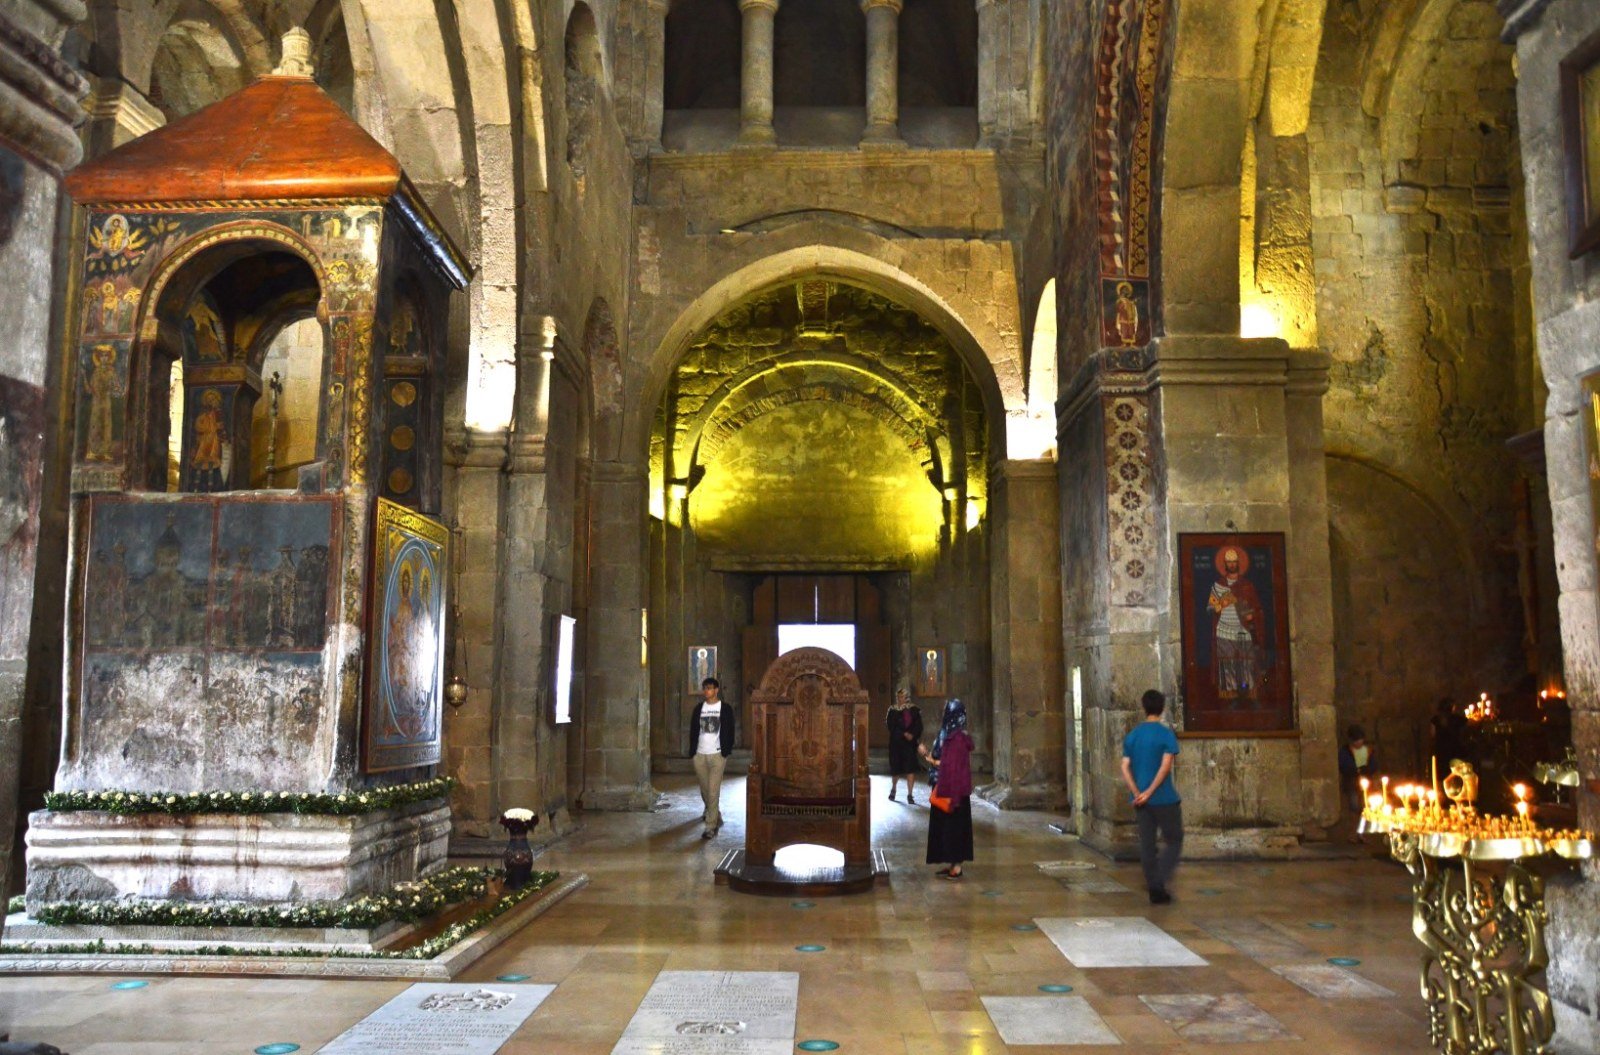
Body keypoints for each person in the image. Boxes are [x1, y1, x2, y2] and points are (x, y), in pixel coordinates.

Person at [1121, 689, 1183, 904]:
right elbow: (1165, 767)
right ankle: (1157, 882)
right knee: (1174, 839)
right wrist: (1150, 792)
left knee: (1147, 845)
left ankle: (1154, 887)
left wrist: (1138, 793)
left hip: (1141, 802)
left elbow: (1125, 767)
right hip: (1164, 798)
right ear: (1162, 707)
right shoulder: (1166, 734)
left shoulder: (1133, 735)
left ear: (1144, 707)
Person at [920, 698, 975, 880]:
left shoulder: (957, 738)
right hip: (945, 786)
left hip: (953, 791)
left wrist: (931, 760)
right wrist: (929, 755)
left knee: (955, 828)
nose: (944, 713)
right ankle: (952, 863)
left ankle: (957, 867)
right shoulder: (949, 733)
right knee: (945, 829)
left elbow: (950, 764)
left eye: (946, 710)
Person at [688, 677, 735, 840]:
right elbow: (693, 730)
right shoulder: (699, 708)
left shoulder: (725, 708)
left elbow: (730, 730)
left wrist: (726, 750)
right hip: (700, 754)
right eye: (704, 688)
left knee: (713, 791)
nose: (706, 691)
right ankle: (714, 812)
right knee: (705, 789)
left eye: (709, 688)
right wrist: (693, 752)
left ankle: (710, 826)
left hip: (717, 754)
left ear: (716, 690)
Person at [1338, 724, 1377, 843]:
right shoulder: (1345, 752)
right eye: (1356, 740)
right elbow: (1344, 765)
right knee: (1353, 808)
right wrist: (1357, 770)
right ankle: (1352, 834)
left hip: (1364, 784)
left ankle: (1361, 834)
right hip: (1351, 783)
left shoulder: (1367, 751)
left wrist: (1366, 769)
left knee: (1364, 809)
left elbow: (1373, 765)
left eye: (1361, 740)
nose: (1359, 743)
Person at [886, 689, 924, 805]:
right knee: (896, 769)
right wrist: (903, 733)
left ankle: (910, 794)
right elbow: (890, 726)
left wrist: (912, 735)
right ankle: (894, 788)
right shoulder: (892, 710)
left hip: (909, 744)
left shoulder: (914, 710)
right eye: (898, 697)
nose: (900, 699)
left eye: (902, 697)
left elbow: (919, 726)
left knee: (910, 768)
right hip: (896, 743)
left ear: (907, 697)